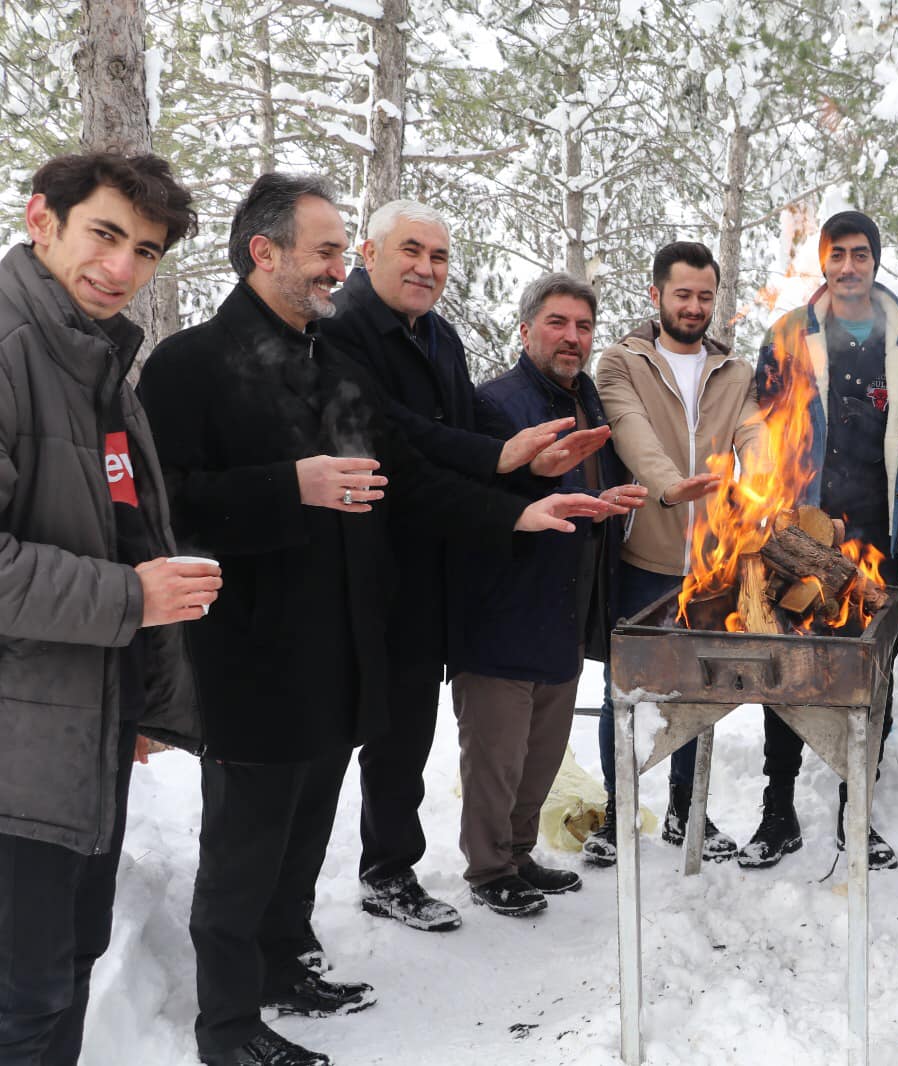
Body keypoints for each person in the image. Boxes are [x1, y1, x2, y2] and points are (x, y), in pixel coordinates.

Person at [138, 174, 624, 1066]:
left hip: (342, 641)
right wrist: (293, 486)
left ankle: (286, 966)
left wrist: (516, 498)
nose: (338, 267)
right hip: (251, 649)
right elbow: (171, 508)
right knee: (244, 844)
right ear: (265, 252)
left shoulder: (331, 365)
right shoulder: (188, 365)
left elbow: (408, 466)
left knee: (305, 827)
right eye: (326, 251)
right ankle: (227, 1025)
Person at [320, 200, 607, 932]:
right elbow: (399, 445)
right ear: (368, 251)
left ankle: (400, 865)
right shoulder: (341, 330)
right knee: (376, 738)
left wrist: (530, 463)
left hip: (428, 569)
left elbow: (465, 431)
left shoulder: (439, 336)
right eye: (411, 250)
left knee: (410, 733)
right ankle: (383, 872)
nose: (426, 267)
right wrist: (506, 476)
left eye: (439, 256)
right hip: (362, 564)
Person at [0, 151, 214, 1066]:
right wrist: (131, 601)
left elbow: (122, 529)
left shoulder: (101, 368)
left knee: (64, 974)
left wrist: (136, 696)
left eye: (148, 249)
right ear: (41, 217)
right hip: (16, 762)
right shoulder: (10, 350)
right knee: (26, 999)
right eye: (105, 234)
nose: (123, 267)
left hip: (78, 731)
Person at [736, 210, 898, 871]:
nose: (848, 266)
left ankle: (861, 812)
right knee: (785, 669)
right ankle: (779, 807)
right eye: (836, 255)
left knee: (869, 678)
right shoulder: (789, 335)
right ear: (821, 264)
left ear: (876, 262)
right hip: (802, 535)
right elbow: (756, 429)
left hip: (878, 537)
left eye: (859, 254)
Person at [448, 272, 645, 917]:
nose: (572, 337)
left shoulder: (589, 402)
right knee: (496, 756)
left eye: (584, 326)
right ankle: (487, 867)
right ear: (526, 328)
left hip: (567, 606)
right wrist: (533, 495)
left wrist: (609, 503)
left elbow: (589, 491)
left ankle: (520, 852)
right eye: (558, 323)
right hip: (504, 609)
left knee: (543, 752)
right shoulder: (493, 404)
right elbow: (477, 500)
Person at [588, 241, 762, 866]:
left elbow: (755, 431)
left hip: (714, 566)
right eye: (682, 294)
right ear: (655, 294)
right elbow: (630, 431)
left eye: (705, 296)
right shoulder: (621, 363)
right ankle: (619, 809)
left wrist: (764, 482)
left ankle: (688, 809)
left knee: (701, 691)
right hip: (645, 560)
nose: (694, 306)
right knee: (627, 694)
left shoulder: (735, 372)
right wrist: (668, 487)